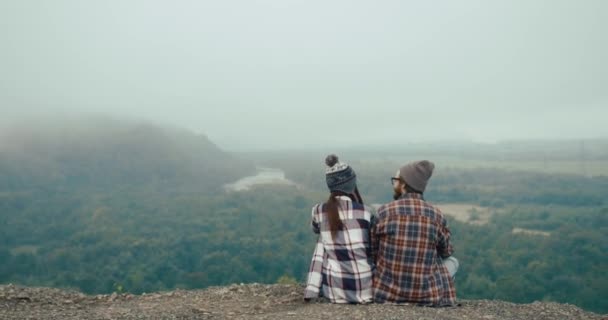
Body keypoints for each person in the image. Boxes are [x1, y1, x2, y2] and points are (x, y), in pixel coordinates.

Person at [372, 160, 458, 306]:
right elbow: (446, 252)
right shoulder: (436, 215)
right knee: (453, 262)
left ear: (404, 185)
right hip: (427, 296)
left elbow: (373, 252)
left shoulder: (383, 212)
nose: (394, 184)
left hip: (386, 294)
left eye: (396, 181)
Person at [304, 154, 374, 304]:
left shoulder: (318, 211)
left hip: (334, 291)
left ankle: (312, 286)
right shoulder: (366, 212)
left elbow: (315, 229)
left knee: (323, 237)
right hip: (366, 289)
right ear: (351, 184)